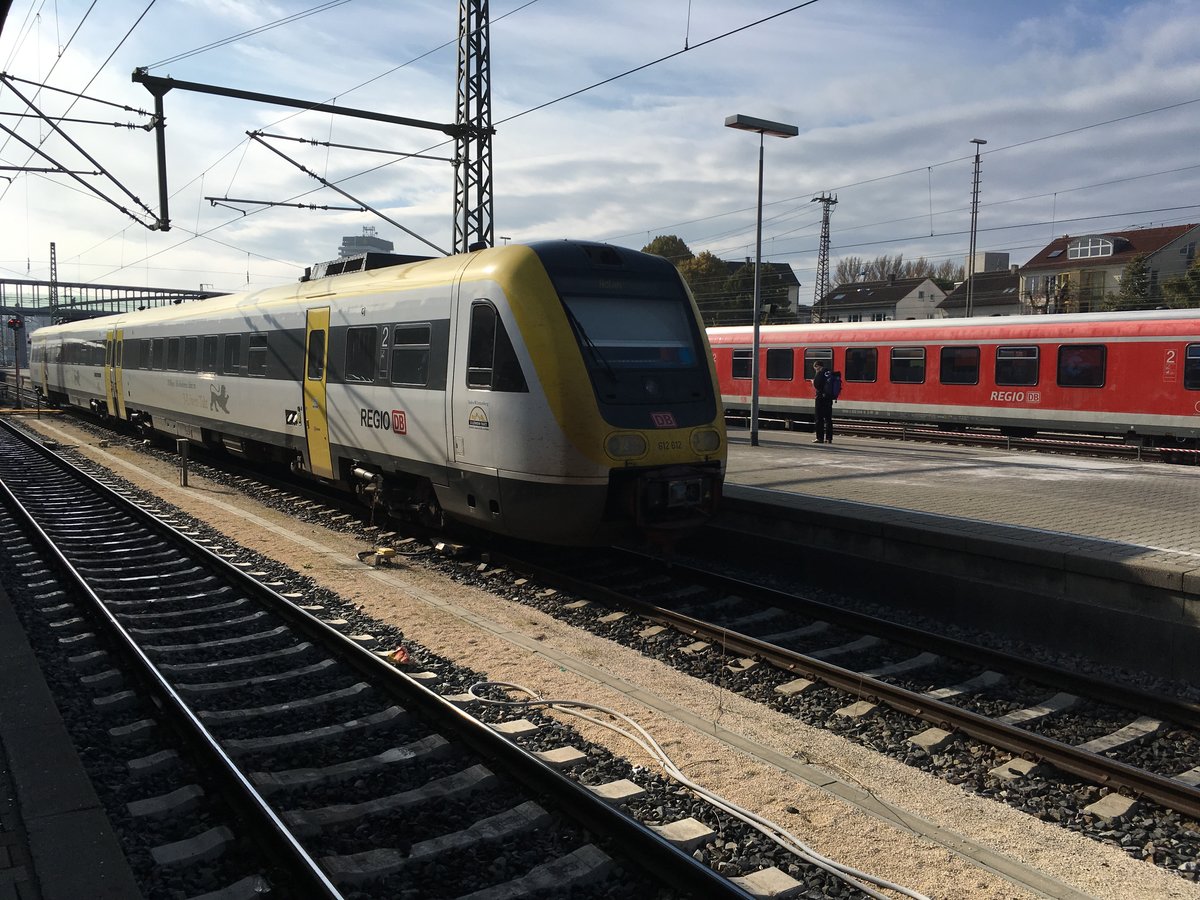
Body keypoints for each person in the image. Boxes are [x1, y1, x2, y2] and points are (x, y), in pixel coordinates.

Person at [812, 361, 834, 444]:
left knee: (819, 418)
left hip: (820, 398)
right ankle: (829, 438)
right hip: (829, 398)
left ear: (817, 366)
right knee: (828, 419)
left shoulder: (820, 373)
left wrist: (813, 381)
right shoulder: (830, 372)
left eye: (815, 368)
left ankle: (819, 438)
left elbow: (817, 385)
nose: (815, 370)